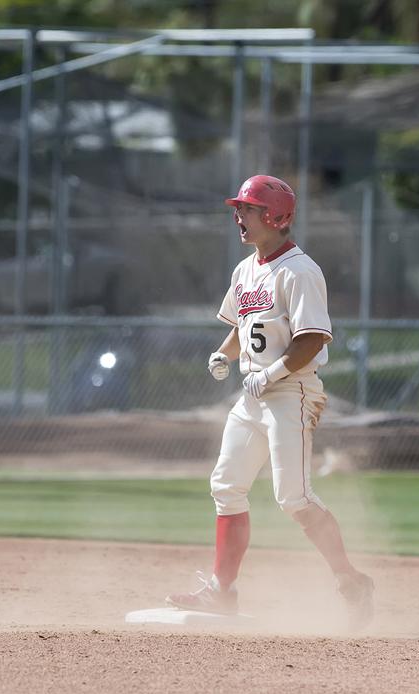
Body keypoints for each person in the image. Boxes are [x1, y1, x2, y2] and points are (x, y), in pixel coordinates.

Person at [166, 175, 374, 627]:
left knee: (294, 498)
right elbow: (243, 329)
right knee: (226, 485)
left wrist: (273, 372)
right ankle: (223, 591)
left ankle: (350, 580)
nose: (239, 216)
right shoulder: (246, 269)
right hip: (253, 395)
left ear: (275, 217)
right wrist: (224, 354)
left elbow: (313, 337)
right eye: (239, 208)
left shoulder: (300, 270)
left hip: (292, 392)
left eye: (249, 208)